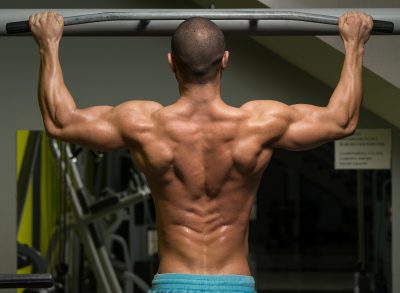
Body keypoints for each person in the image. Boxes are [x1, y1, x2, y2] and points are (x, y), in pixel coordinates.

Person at [29, 11, 373, 293]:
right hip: (235, 283)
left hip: (173, 283)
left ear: (170, 62)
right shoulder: (258, 124)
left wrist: (49, 44)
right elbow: (341, 121)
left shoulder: (144, 124)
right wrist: (354, 45)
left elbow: (61, 122)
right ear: (225, 60)